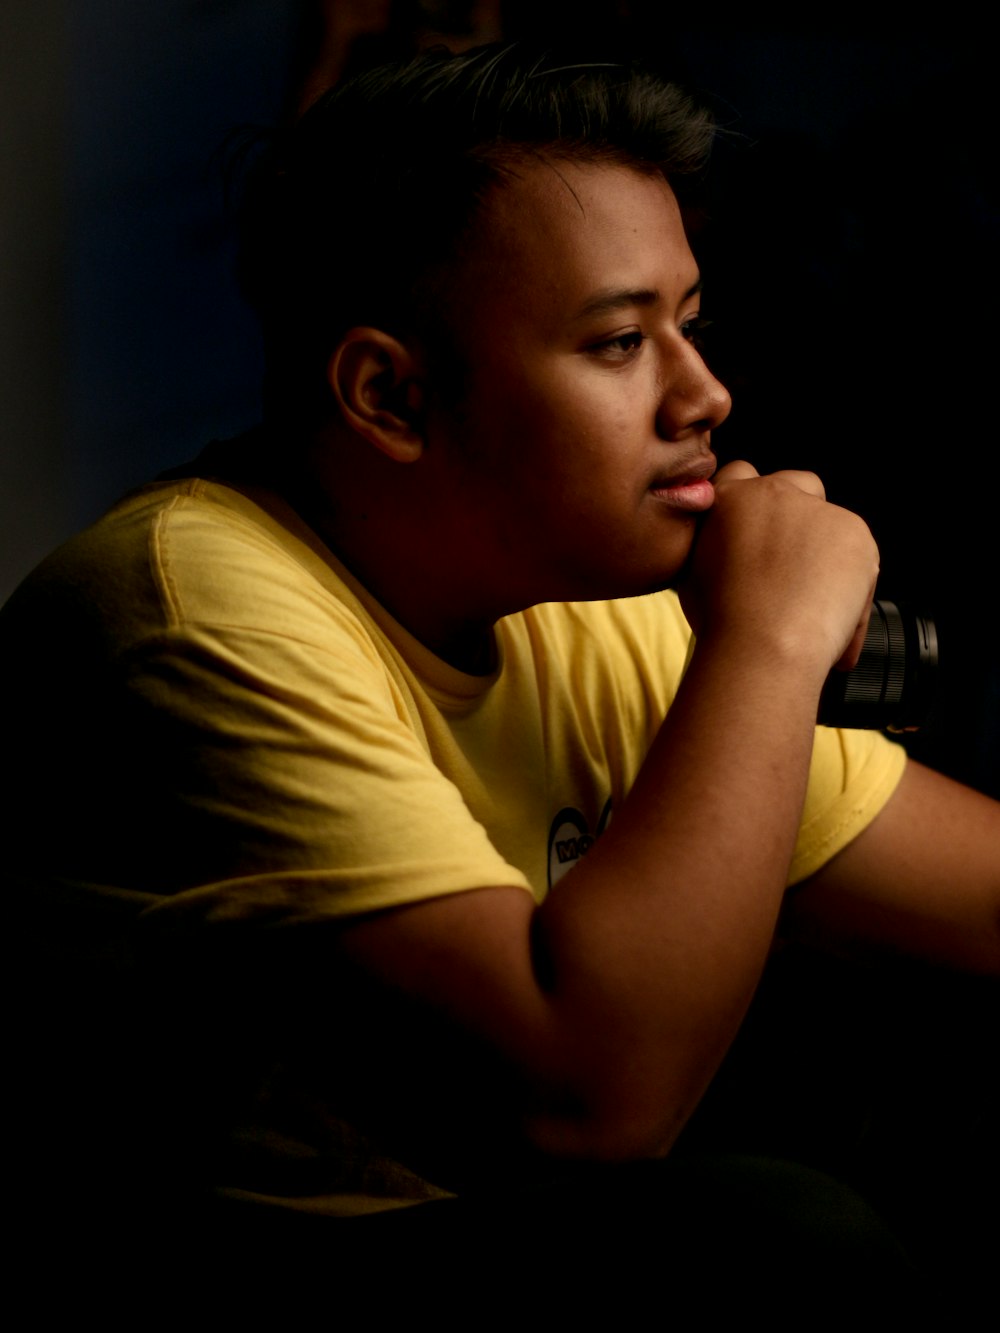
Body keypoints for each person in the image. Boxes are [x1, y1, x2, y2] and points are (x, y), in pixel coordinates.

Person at [5, 42, 997, 1312]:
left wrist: (747, 648)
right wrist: (770, 643)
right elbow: (584, 1106)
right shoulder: (189, 612)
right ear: (391, 395)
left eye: (688, 325)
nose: (706, 394)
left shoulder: (583, 596)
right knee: (773, 1239)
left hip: (503, 1245)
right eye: (619, 341)